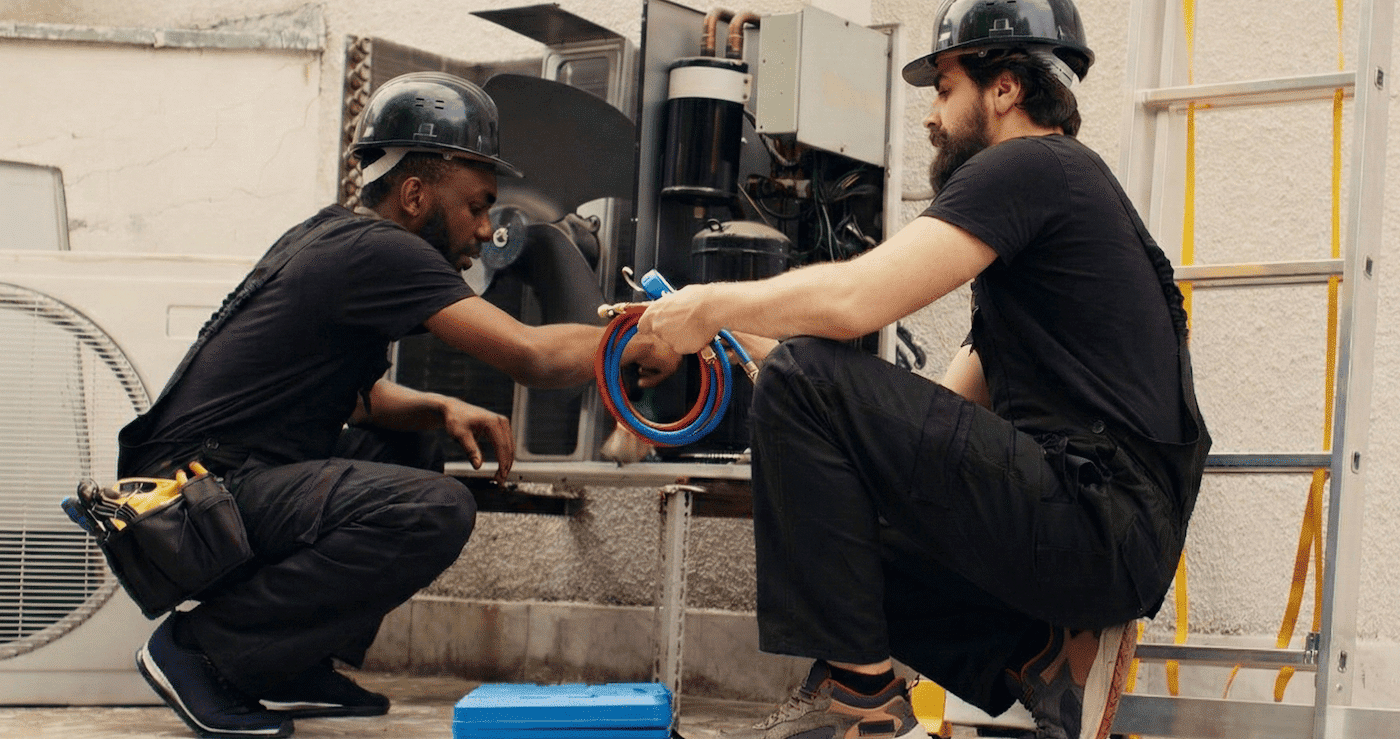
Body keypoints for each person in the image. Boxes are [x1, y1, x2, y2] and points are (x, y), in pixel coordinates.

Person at [636, 1, 1211, 738]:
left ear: (1004, 89)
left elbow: (855, 301)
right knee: (836, 503)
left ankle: (861, 704)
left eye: (944, 89)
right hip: (1106, 529)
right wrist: (760, 355)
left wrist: (712, 303)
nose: (931, 117)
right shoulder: (1056, 211)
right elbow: (921, 439)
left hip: (1099, 517)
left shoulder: (1028, 164)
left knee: (808, 380)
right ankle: (1045, 658)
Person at [117, 71, 676, 739]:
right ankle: (200, 650)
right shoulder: (383, 251)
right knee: (434, 510)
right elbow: (529, 355)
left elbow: (352, 399)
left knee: (411, 444)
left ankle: (283, 660)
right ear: (415, 195)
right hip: (189, 505)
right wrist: (641, 338)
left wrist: (439, 408)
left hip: (205, 484)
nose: (483, 229)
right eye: (476, 205)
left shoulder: (336, 236)